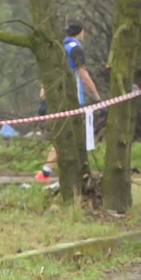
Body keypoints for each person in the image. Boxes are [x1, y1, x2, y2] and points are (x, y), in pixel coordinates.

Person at [35, 22, 102, 186]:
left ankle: (48, 172)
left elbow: (47, 74)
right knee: (68, 137)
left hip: (52, 99)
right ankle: (49, 173)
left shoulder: (56, 47)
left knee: (62, 136)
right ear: (80, 33)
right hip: (71, 101)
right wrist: (97, 98)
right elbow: (84, 77)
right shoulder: (76, 49)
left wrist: (43, 98)